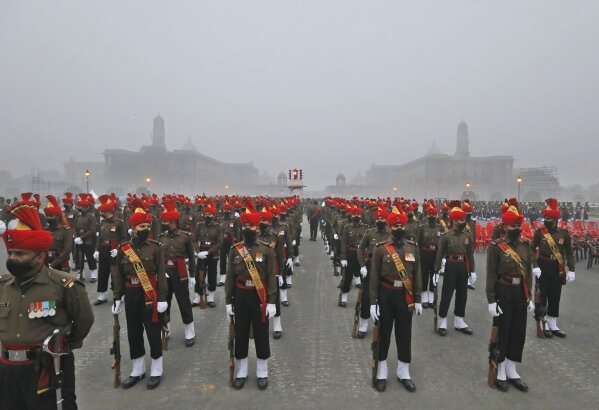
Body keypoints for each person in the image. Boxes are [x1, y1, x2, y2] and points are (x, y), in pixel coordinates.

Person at [1, 196, 94, 409]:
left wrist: (62, 345)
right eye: (11, 253)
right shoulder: (3, 287)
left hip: (48, 366)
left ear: (40, 257)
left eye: (20, 254)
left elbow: (84, 321)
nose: (12, 258)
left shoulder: (63, 285)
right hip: (7, 369)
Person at [112, 205, 168, 389]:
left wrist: (162, 298)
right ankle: (138, 369)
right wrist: (117, 296)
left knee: (153, 332)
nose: (146, 229)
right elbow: (119, 274)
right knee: (134, 332)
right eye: (142, 226)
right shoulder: (124, 248)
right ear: (134, 228)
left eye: (147, 226)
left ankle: (156, 369)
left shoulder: (155, 248)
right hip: (131, 293)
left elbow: (161, 272)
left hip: (149, 293)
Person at [225, 200, 277, 390]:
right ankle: (242, 372)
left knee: (262, 333)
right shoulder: (235, 250)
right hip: (241, 294)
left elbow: (271, 276)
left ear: (257, 227)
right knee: (241, 332)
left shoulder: (266, 249)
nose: (248, 228)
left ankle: (262, 372)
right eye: (245, 224)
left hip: (259, 296)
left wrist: (271, 301)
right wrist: (228, 300)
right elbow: (230, 275)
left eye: (252, 225)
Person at [370, 208, 422, 392]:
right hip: (386, 294)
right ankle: (382, 372)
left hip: (405, 296)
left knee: (404, 333)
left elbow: (417, 274)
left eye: (402, 224)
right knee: (384, 334)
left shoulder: (412, 247)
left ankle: (403, 372)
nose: (399, 228)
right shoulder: (380, 249)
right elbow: (374, 276)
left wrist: (418, 298)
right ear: (390, 227)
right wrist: (373, 301)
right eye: (396, 225)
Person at [486, 199, 535, 392]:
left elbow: (528, 272)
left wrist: (529, 295)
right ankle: (500, 371)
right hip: (503, 291)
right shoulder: (496, 247)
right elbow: (491, 275)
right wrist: (491, 300)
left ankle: (512, 369)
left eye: (518, 225)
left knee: (518, 331)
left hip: (520, 292)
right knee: (504, 331)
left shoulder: (525, 245)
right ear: (505, 227)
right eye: (512, 225)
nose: (516, 228)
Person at [530, 198, 575, 338]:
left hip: (558, 267)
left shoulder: (563, 233)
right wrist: (535, 265)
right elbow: (531, 249)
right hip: (543, 265)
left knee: (555, 295)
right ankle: (543, 324)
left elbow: (569, 252)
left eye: (549, 218)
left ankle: (553, 324)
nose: (546, 220)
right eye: (545, 218)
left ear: (555, 219)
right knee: (542, 296)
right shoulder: (540, 232)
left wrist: (572, 269)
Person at [157, 199, 196, 346]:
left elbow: (191, 258)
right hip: (165, 273)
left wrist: (192, 275)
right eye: (166, 222)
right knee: (164, 302)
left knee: (184, 302)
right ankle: (166, 330)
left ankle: (189, 332)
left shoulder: (185, 236)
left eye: (170, 221)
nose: (168, 224)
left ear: (175, 221)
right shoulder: (161, 238)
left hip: (180, 273)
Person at [434, 201, 476, 336]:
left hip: (463, 266)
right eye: (459, 219)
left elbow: (470, 254)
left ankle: (459, 320)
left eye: (463, 219)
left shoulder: (467, 235)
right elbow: (440, 253)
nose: (462, 221)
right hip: (451, 266)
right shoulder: (447, 236)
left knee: (462, 294)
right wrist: (436, 270)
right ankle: (443, 320)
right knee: (447, 293)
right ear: (453, 220)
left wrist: (472, 271)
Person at [356, 206, 389, 338]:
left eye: (382, 218)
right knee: (366, 297)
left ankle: (379, 322)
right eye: (378, 218)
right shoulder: (369, 233)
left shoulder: (390, 234)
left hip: (385, 268)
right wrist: (362, 265)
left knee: (383, 296)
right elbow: (360, 249)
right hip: (370, 266)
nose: (380, 220)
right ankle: (364, 323)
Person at [93, 194, 127, 306]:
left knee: (115, 274)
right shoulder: (102, 223)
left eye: (102, 211)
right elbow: (99, 237)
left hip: (114, 251)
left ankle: (118, 294)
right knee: (102, 272)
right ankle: (102, 295)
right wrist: (97, 249)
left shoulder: (119, 222)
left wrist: (118, 249)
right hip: (103, 249)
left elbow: (124, 238)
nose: (101, 213)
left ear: (107, 211)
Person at [191, 200, 222, 308]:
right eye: (207, 214)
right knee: (199, 275)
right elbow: (194, 240)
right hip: (201, 252)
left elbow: (220, 242)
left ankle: (210, 298)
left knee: (212, 275)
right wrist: (198, 252)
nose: (208, 216)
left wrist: (208, 252)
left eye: (210, 214)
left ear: (213, 215)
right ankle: (197, 297)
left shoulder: (218, 227)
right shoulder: (199, 226)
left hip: (213, 253)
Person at [43, 195, 73, 273]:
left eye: (51, 216)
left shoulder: (66, 230)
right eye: (47, 215)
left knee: (69, 284)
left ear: (57, 217)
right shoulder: (44, 231)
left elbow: (66, 251)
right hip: (47, 264)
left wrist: (52, 265)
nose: (48, 218)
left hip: (61, 265)